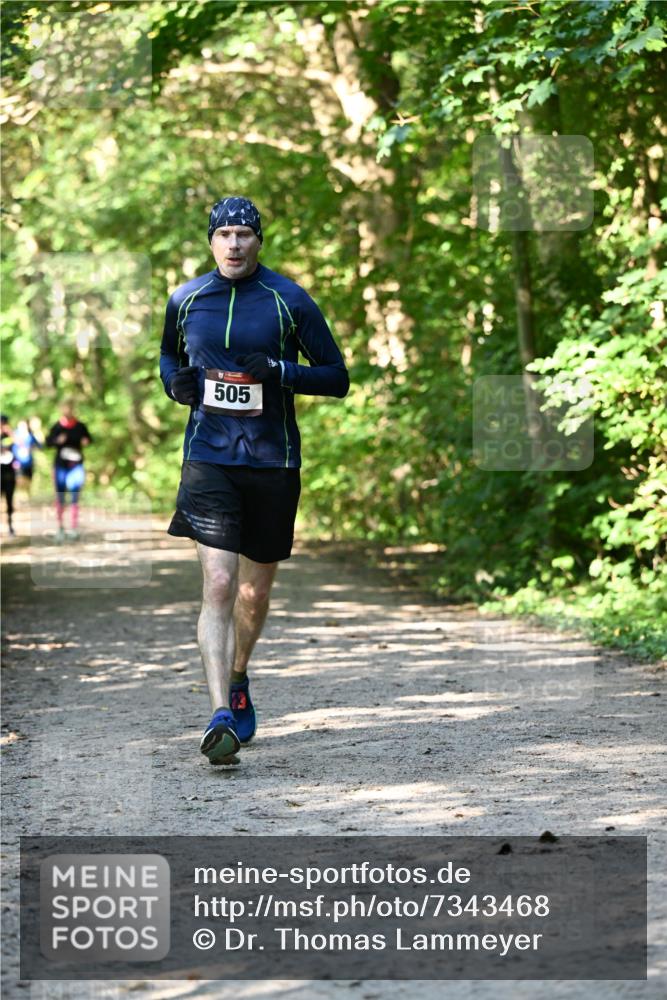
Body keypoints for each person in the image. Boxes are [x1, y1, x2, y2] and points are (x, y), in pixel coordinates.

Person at [160, 196, 349, 765]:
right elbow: (169, 359)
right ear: (211, 242)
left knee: (252, 591)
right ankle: (220, 713)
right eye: (225, 235)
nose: (235, 244)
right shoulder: (186, 299)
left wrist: (284, 373)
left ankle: (239, 676)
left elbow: (337, 376)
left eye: (245, 234)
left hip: (272, 462)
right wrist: (178, 386)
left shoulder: (289, 300)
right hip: (209, 460)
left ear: (258, 241)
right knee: (218, 586)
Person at [45, 402, 92, 541]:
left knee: (75, 497)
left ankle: (74, 528)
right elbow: (47, 443)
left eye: (70, 408)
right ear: (61, 409)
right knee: (60, 497)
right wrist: (57, 441)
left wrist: (86, 441)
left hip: (76, 466)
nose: (68, 410)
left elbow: (89, 439)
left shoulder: (80, 426)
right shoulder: (57, 426)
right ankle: (60, 528)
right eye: (65, 408)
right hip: (60, 466)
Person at [13, 418, 43, 489]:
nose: (23, 427)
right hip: (17, 462)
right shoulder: (14, 435)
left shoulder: (30, 436)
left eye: (24, 425)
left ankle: (26, 496)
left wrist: (31, 448)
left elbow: (40, 447)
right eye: (21, 425)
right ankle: (21, 496)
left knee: (28, 480)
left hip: (28, 462)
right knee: (19, 481)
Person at [1, 415, 18, 536]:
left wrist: (11, 433)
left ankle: (10, 525)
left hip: (9, 473)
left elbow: (21, 446)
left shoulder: (11, 436)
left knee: (9, 500)